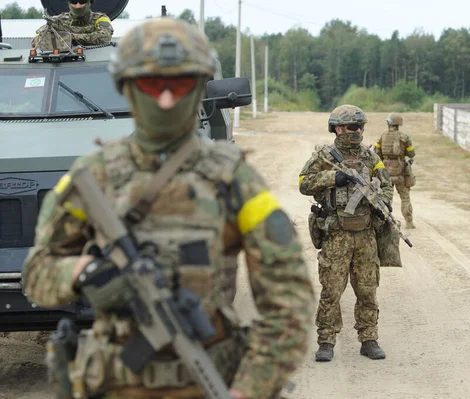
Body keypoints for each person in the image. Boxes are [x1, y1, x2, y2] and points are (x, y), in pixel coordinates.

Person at [22, 18, 314, 399]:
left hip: (210, 377)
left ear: (198, 87)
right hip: (113, 383)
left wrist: (250, 389)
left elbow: (289, 302)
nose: (164, 99)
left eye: (178, 85)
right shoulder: (93, 176)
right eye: (150, 84)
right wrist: (85, 271)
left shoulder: (234, 179)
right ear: (126, 86)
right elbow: (37, 274)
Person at [299, 104, 393, 362]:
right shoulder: (324, 156)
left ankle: (369, 339)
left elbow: (386, 184)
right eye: (353, 126)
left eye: (361, 126)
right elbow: (303, 183)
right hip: (336, 234)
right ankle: (326, 342)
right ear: (338, 128)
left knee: (367, 289)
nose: (358, 131)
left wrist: (384, 202)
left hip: (365, 234)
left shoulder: (370, 156)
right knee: (331, 290)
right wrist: (332, 178)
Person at [374, 113, 416, 229]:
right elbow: (411, 153)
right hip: (400, 172)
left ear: (389, 123)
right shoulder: (404, 137)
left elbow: (376, 153)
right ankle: (409, 222)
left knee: (386, 197)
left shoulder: (382, 137)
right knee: (405, 197)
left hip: (386, 172)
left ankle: (386, 222)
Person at [31, 0, 113, 48]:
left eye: (82, 1)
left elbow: (105, 37)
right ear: (68, 3)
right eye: (73, 1)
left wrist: (72, 37)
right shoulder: (58, 20)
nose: (78, 6)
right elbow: (36, 41)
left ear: (89, 2)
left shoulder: (100, 19)